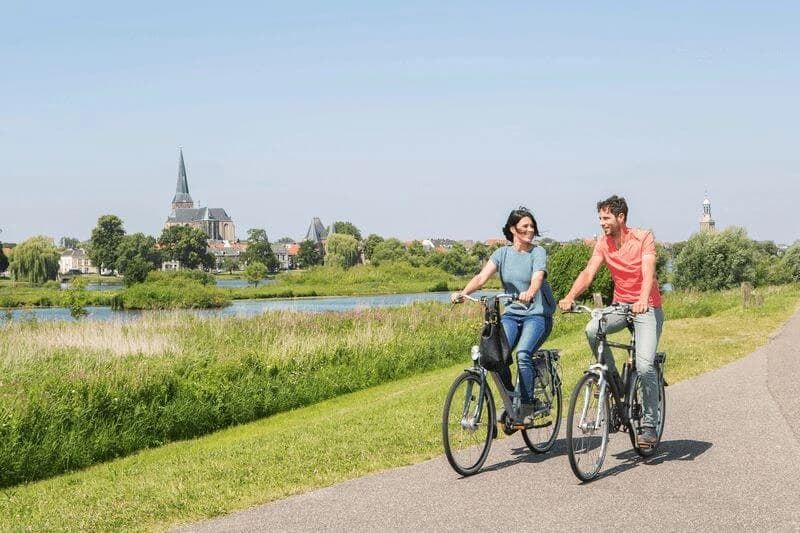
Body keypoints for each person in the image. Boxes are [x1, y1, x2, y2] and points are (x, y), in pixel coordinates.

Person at [557, 195, 664, 446]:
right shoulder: (603, 243)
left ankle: (649, 425)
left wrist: (642, 298)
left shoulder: (643, 237)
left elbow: (648, 271)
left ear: (621, 217)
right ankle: (613, 382)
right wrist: (570, 296)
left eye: (606, 218)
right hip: (620, 306)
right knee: (593, 329)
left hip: (646, 307)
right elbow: (589, 272)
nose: (602, 223)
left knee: (646, 365)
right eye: (600, 218)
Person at [452, 207, 555, 425]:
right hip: (512, 314)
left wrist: (530, 292)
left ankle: (526, 406)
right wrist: (463, 293)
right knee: (494, 355)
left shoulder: (538, 253)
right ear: (512, 229)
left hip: (536, 315)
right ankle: (512, 399)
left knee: (523, 355)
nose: (530, 230)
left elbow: (537, 278)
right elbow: (481, 278)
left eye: (532, 226)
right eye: (525, 226)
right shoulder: (501, 254)